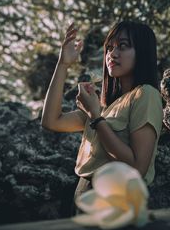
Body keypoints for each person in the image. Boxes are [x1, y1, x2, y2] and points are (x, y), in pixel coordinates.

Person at [41, 20, 163, 215]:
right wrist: (63, 64)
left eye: (123, 46)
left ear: (142, 52)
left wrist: (96, 119)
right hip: (83, 198)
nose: (112, 54)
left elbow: (137, 167)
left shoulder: (145, 95)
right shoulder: (104, 105)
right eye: (109, 48)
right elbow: (50, 121)